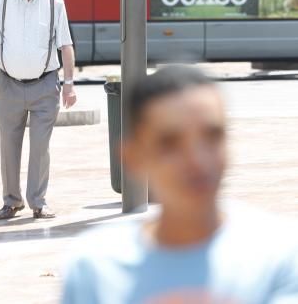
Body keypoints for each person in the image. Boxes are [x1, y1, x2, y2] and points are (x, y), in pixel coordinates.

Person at [62, 65, 298, 303]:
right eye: (170, 143)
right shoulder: (95, 268)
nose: (197, 160)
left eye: (212, 136)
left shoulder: (279, 256)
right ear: (132, 157)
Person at [0, 0, 77, 220]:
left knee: (40, 146)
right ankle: (11, 202)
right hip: (9, 84)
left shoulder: (54, 0)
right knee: (9, 146)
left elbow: (66, 45)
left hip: (45, 85)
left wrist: (69, 83)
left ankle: (38, 202)